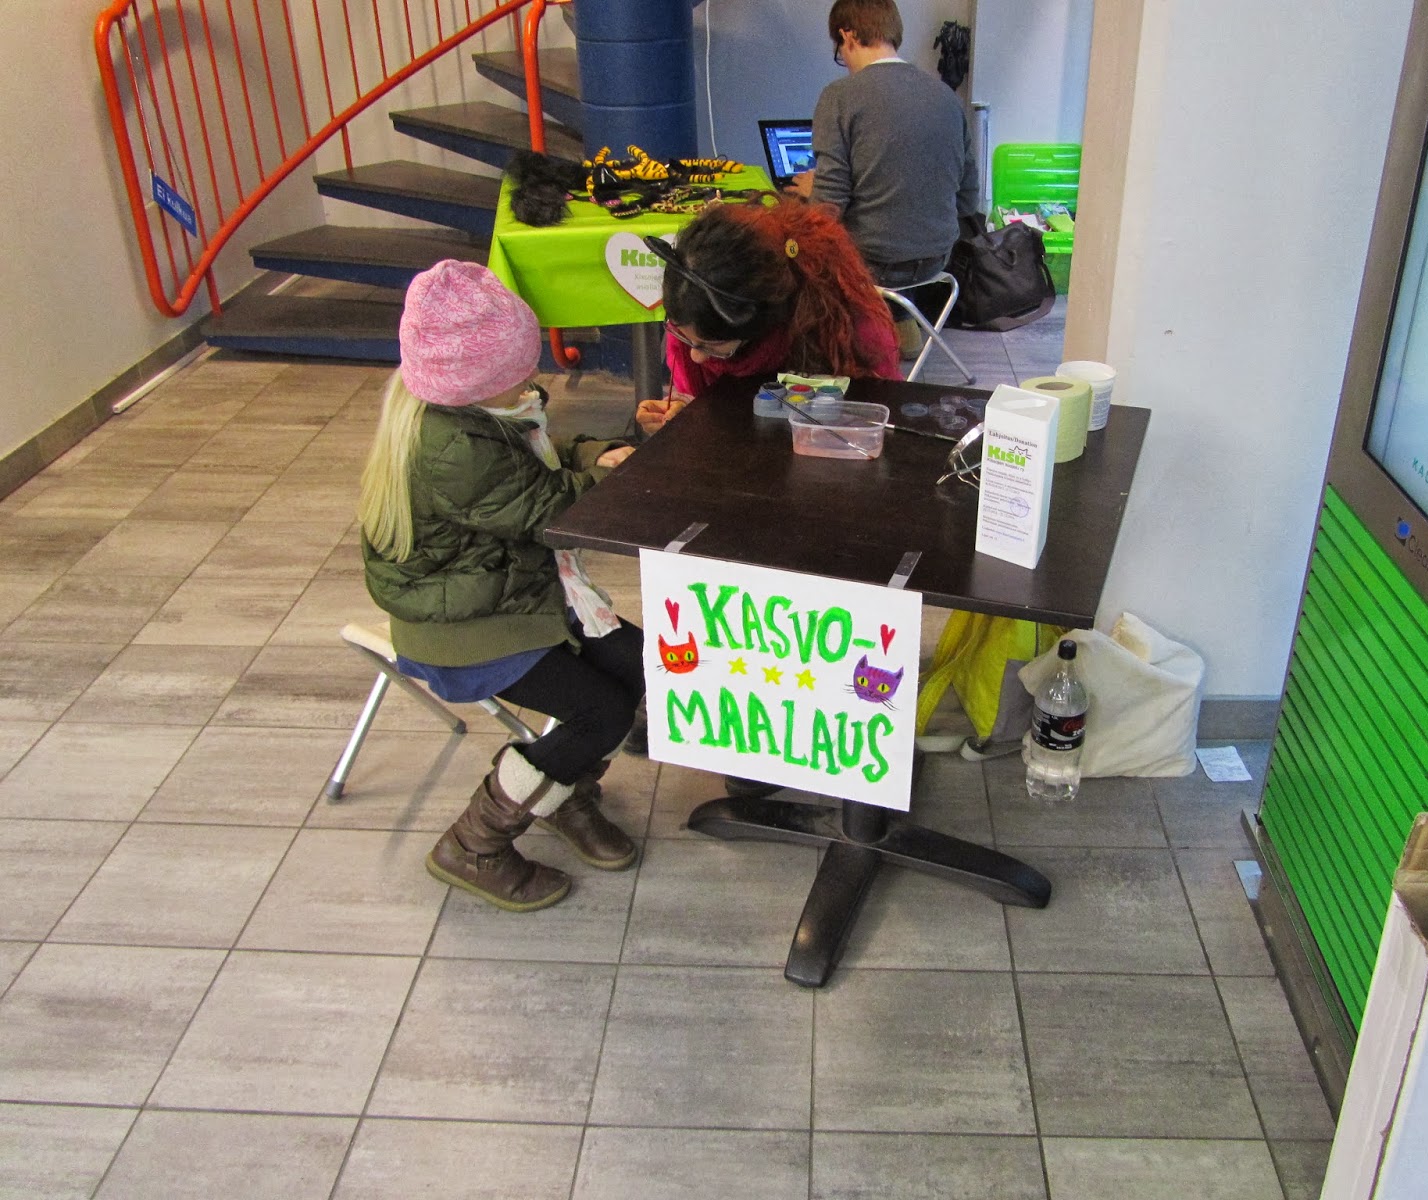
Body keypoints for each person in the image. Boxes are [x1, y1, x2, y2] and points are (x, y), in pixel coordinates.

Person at [359, 260, 642, 913]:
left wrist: (597, 454)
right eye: (519, 368)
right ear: (478, 379)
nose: (531, 377)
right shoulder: (453, 448)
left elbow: (541, 454)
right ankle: (472, 845)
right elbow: (547, 512)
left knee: (634, 665)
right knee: (602, 711)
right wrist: (612, 477)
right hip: (464, 626)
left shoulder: (467, 410)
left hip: (501, 591)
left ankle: (560, 787)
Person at [793, 0, 979, 352]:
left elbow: (827, 210)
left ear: (848, 35)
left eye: (839, 50)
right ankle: (900, 322)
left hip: (875, 264)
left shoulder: (839, 97)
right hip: (937, 259)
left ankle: (843, 348)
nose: (843, 60)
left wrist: (812, 192)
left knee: (794, 246)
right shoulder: (947, 98)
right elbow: (968, 199)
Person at [634, 196, 902, 435]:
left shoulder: (848, 332)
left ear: (761, 322)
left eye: (711, 346)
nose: (696, 356)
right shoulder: (695, 319)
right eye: (685, 338)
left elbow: (877, 424)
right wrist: (687, 412)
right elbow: (706, 404)